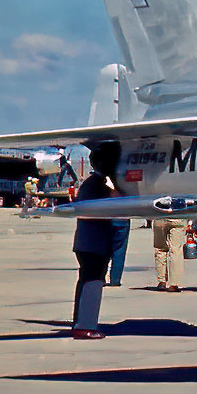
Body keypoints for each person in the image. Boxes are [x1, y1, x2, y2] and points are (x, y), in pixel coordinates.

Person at [70, 144, 120, 339]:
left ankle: (80, 322)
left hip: (86, 242)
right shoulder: (98, 185)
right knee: (93, 281)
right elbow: (117, 199)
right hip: (94, 243)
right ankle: (85, 325)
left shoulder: (91, 183)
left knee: (86, 280)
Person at [151, 219, 188, 292]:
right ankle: (174, 283)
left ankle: (162, 281)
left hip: (160, 217)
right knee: (176, 250)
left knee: (160, 248)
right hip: (177, 217)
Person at [107, 218, 131, 287]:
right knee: (120, 250)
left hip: (104, 218)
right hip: (122, 219)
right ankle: (115, 279)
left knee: (103, 248)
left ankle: (100, 277)